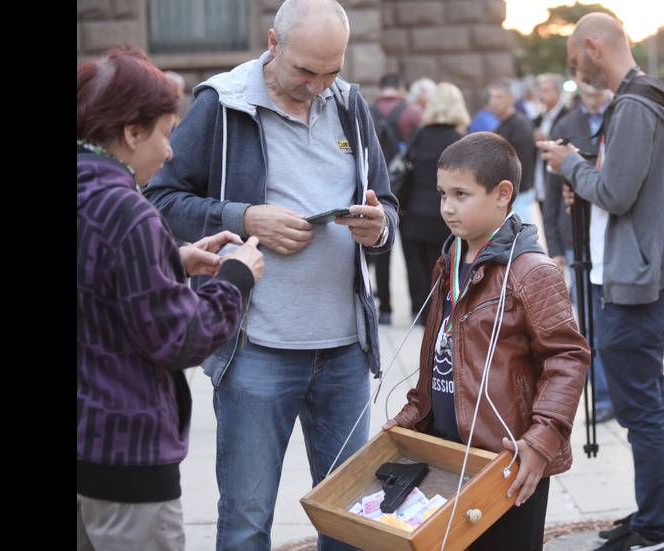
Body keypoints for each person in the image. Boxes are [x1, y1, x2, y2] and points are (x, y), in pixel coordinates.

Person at [141, 1, 399, 549]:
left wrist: (377, 228)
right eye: (306, 70)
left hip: (345, 351)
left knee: (351, 520)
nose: (318, 86)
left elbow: (388, 207)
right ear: (273, 43)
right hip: (257, 349)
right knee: (247, 520)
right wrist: (243, 216)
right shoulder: (222, 104)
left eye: (333, 71)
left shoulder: (349, 104)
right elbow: (159, 199)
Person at [77, 46, 265, 551]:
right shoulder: (129, 213)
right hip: (125, 456)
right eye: (164, 132)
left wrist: (171, 259)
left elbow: (94, 278)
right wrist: (235, 279)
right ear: (130, 132)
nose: (169, 152)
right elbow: (179, 340)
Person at [536, 12, 664, 551]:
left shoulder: (632, 104)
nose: (576, 70)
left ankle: (656, 528)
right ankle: (659, 514)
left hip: (631, 279)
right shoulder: (651, 97)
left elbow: (617, 194)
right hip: (642, 272)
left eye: (574, 59)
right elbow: (624, 184)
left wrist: (568, 166)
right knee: (651, 404)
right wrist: (585, 170)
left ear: (592, 47)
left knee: (642, 411)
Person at [383, 131, 591, 551]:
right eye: (442, 193)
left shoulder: (532, 272)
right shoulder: (450, 261)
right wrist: (411, 418)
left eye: (461, 194)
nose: (446, 207)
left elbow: (568, 358)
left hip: (508, 461)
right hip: (448, 454)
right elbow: (441, 353)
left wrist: (541, 442)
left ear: (502, 194)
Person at [543, 74, 615, 424]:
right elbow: (554, 191)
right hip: (577, 239)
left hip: (615, 237)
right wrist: (555, 246)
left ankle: (613, 390)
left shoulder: (619, 116)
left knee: (613, 320)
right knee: (588, 322)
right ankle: (600, 395)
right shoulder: (566, 124)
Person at [398, 82, 471, 326]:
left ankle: (419, 316)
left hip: (413, 213)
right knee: (443, 272)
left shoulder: (419, 135)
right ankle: (441, 317)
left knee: (416, 272)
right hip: (446, 217)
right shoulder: (461, 141)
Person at [371, 73, 423, 326]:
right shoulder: (412, 113)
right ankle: (416, 310)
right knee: (411, 256)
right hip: (407, 194)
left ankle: (386, 311)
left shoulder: (367, 112)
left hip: (374, 194)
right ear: (401, 89)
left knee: (380, 252)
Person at [486, 78, 536, 224]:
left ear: (511, 98)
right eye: (492, 97)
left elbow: (517, 166)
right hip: (507, 196)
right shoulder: (501, 126)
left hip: (518, 196)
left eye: (499, 97)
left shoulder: (520, 126)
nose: (494, 101)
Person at [531, 72, 570, 217]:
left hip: (560, 185)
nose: (542, 95)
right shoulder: (538, 119)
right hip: (541, 183)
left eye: (546, 90)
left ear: (558, 92)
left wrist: (549, 140)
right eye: (540, 90)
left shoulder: (568, 117)